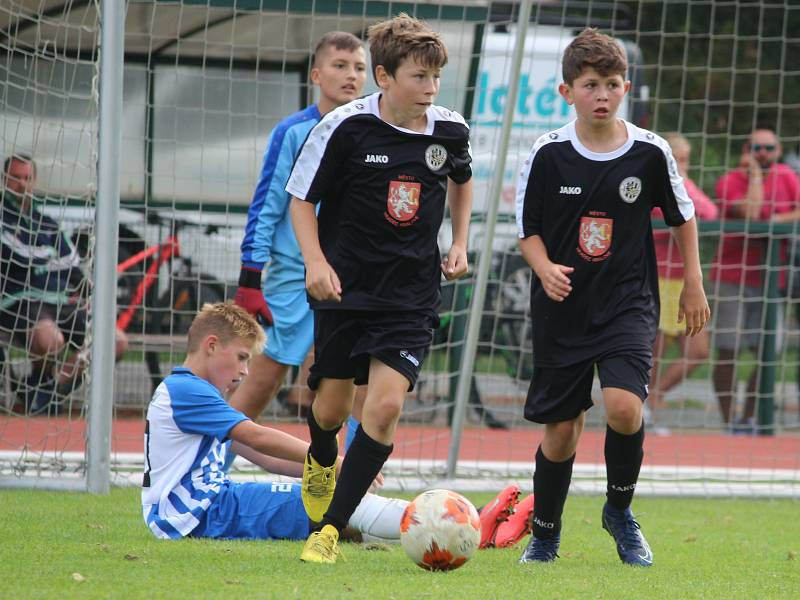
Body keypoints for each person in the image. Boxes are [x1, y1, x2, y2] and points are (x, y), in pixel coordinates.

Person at [515, 29, 709, 566]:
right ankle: (546, 533)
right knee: (561, 430)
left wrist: (692, 281)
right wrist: (544, 265)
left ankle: (619, 513)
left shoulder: (649, 151)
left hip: (628, 301)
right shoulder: (548, 153)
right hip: (563, 306)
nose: (602, 94)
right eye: (590, 85)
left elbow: (683, 216)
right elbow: (526, 229)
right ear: (566, 91)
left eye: (612, 84)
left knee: (624, 408)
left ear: (626, 87)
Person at [286, 13, 473, 564]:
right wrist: (314, 262)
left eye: (436, 78)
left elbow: (462, 183)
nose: (430, 89)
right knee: (329, 409)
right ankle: (321, 457)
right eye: (419, 77)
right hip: (345, 289)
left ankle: (329, 529)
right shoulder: (344, 127)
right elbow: (300, 200)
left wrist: (458, 243)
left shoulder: (449, 129)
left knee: (385, 408)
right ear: (385, 77)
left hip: (411, 296)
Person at [141, 301, 533, 546]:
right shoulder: (187, 391)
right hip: (199, 513)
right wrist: (337, 462)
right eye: (241, 357)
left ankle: (458, 527)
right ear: (212, 345)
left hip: (209, 505)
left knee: (325, 502)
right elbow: (256, 437)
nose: (245, 372)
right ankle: (467, 524)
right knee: (324, 505)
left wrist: (328, 473)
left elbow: (267, 459)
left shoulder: (191, 393)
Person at [232, 32, 367, 421]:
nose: (350, 75)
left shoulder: (374, 132)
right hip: (295, 276)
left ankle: (360, 479)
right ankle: (208, 465)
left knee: (361, 384)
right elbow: (267, 206)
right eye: (340, 66)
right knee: (265, 378)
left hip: (354, 276)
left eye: (358, 68)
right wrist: (250, 276)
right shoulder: (292, 132)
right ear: (316, 75)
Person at [0, 153, 127, 414]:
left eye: (27, 178)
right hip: (17, 300)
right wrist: (51, 258)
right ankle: (40, 385)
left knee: (114, 341)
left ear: (34, 181)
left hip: (57, 301)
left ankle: (48, 388)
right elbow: (22, 258)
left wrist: (87, 291)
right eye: (15, 178)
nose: (22, 185)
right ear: (4, 179)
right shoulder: (3, 216)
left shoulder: (45, 221)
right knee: (51, 340)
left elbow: (71, 260)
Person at [710, 127, 800, 432]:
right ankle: (727, 421)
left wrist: (778, 221)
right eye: (756, 148)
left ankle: (749, 418)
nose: (763, 153)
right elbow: (749, 212)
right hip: (733, 276)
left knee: (767, 353)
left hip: (771, 281)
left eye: (768, 148)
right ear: (746, 149)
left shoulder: (788, 176)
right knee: (728, 350)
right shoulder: (729, 181)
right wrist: (757, 178)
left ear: (778, 150)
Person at [648, 134, 719, 428]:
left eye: (686, 160)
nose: (682, 166)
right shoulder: (653, 188)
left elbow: (709, 211)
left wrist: (684, 180)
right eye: (677, 160)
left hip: (685, 281)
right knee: (655, 350)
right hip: (659, 278)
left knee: (698, 351)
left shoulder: (683, 187)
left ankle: (653, 399)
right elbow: (667, 216)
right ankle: (642, 411)